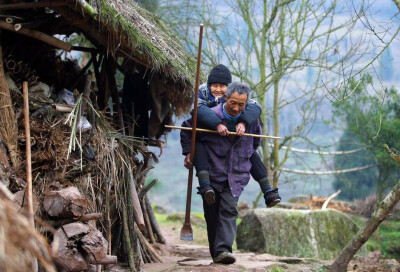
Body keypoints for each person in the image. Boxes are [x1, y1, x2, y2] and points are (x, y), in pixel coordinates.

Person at [181, 82, 262, 264]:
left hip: (235, 174)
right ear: (225, 98)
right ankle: (216, 253)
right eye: (233, 103)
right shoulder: (209, 113)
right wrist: (189, 151)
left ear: (247, 103)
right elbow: (187, 130)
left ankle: (224, 249)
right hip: (211, 173)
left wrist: (241, 154)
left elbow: (254, 144)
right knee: (212, 214)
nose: (236, 108)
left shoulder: (251, 120)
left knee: (229, 209)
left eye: (241, 105)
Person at [188, 64, 281, 207]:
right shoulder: (202, 92)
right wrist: (217, 123)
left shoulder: (235, 94)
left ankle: (268, 190)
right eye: (214, 85)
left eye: (222, 86)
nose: (218, 89)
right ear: (209, 85)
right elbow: (196, 109)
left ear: (228, 89)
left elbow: (256, 107)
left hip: (235, 141)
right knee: (199, 145)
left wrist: (243, 122)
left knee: (250, 152)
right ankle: (205, 185)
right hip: (210, 137)